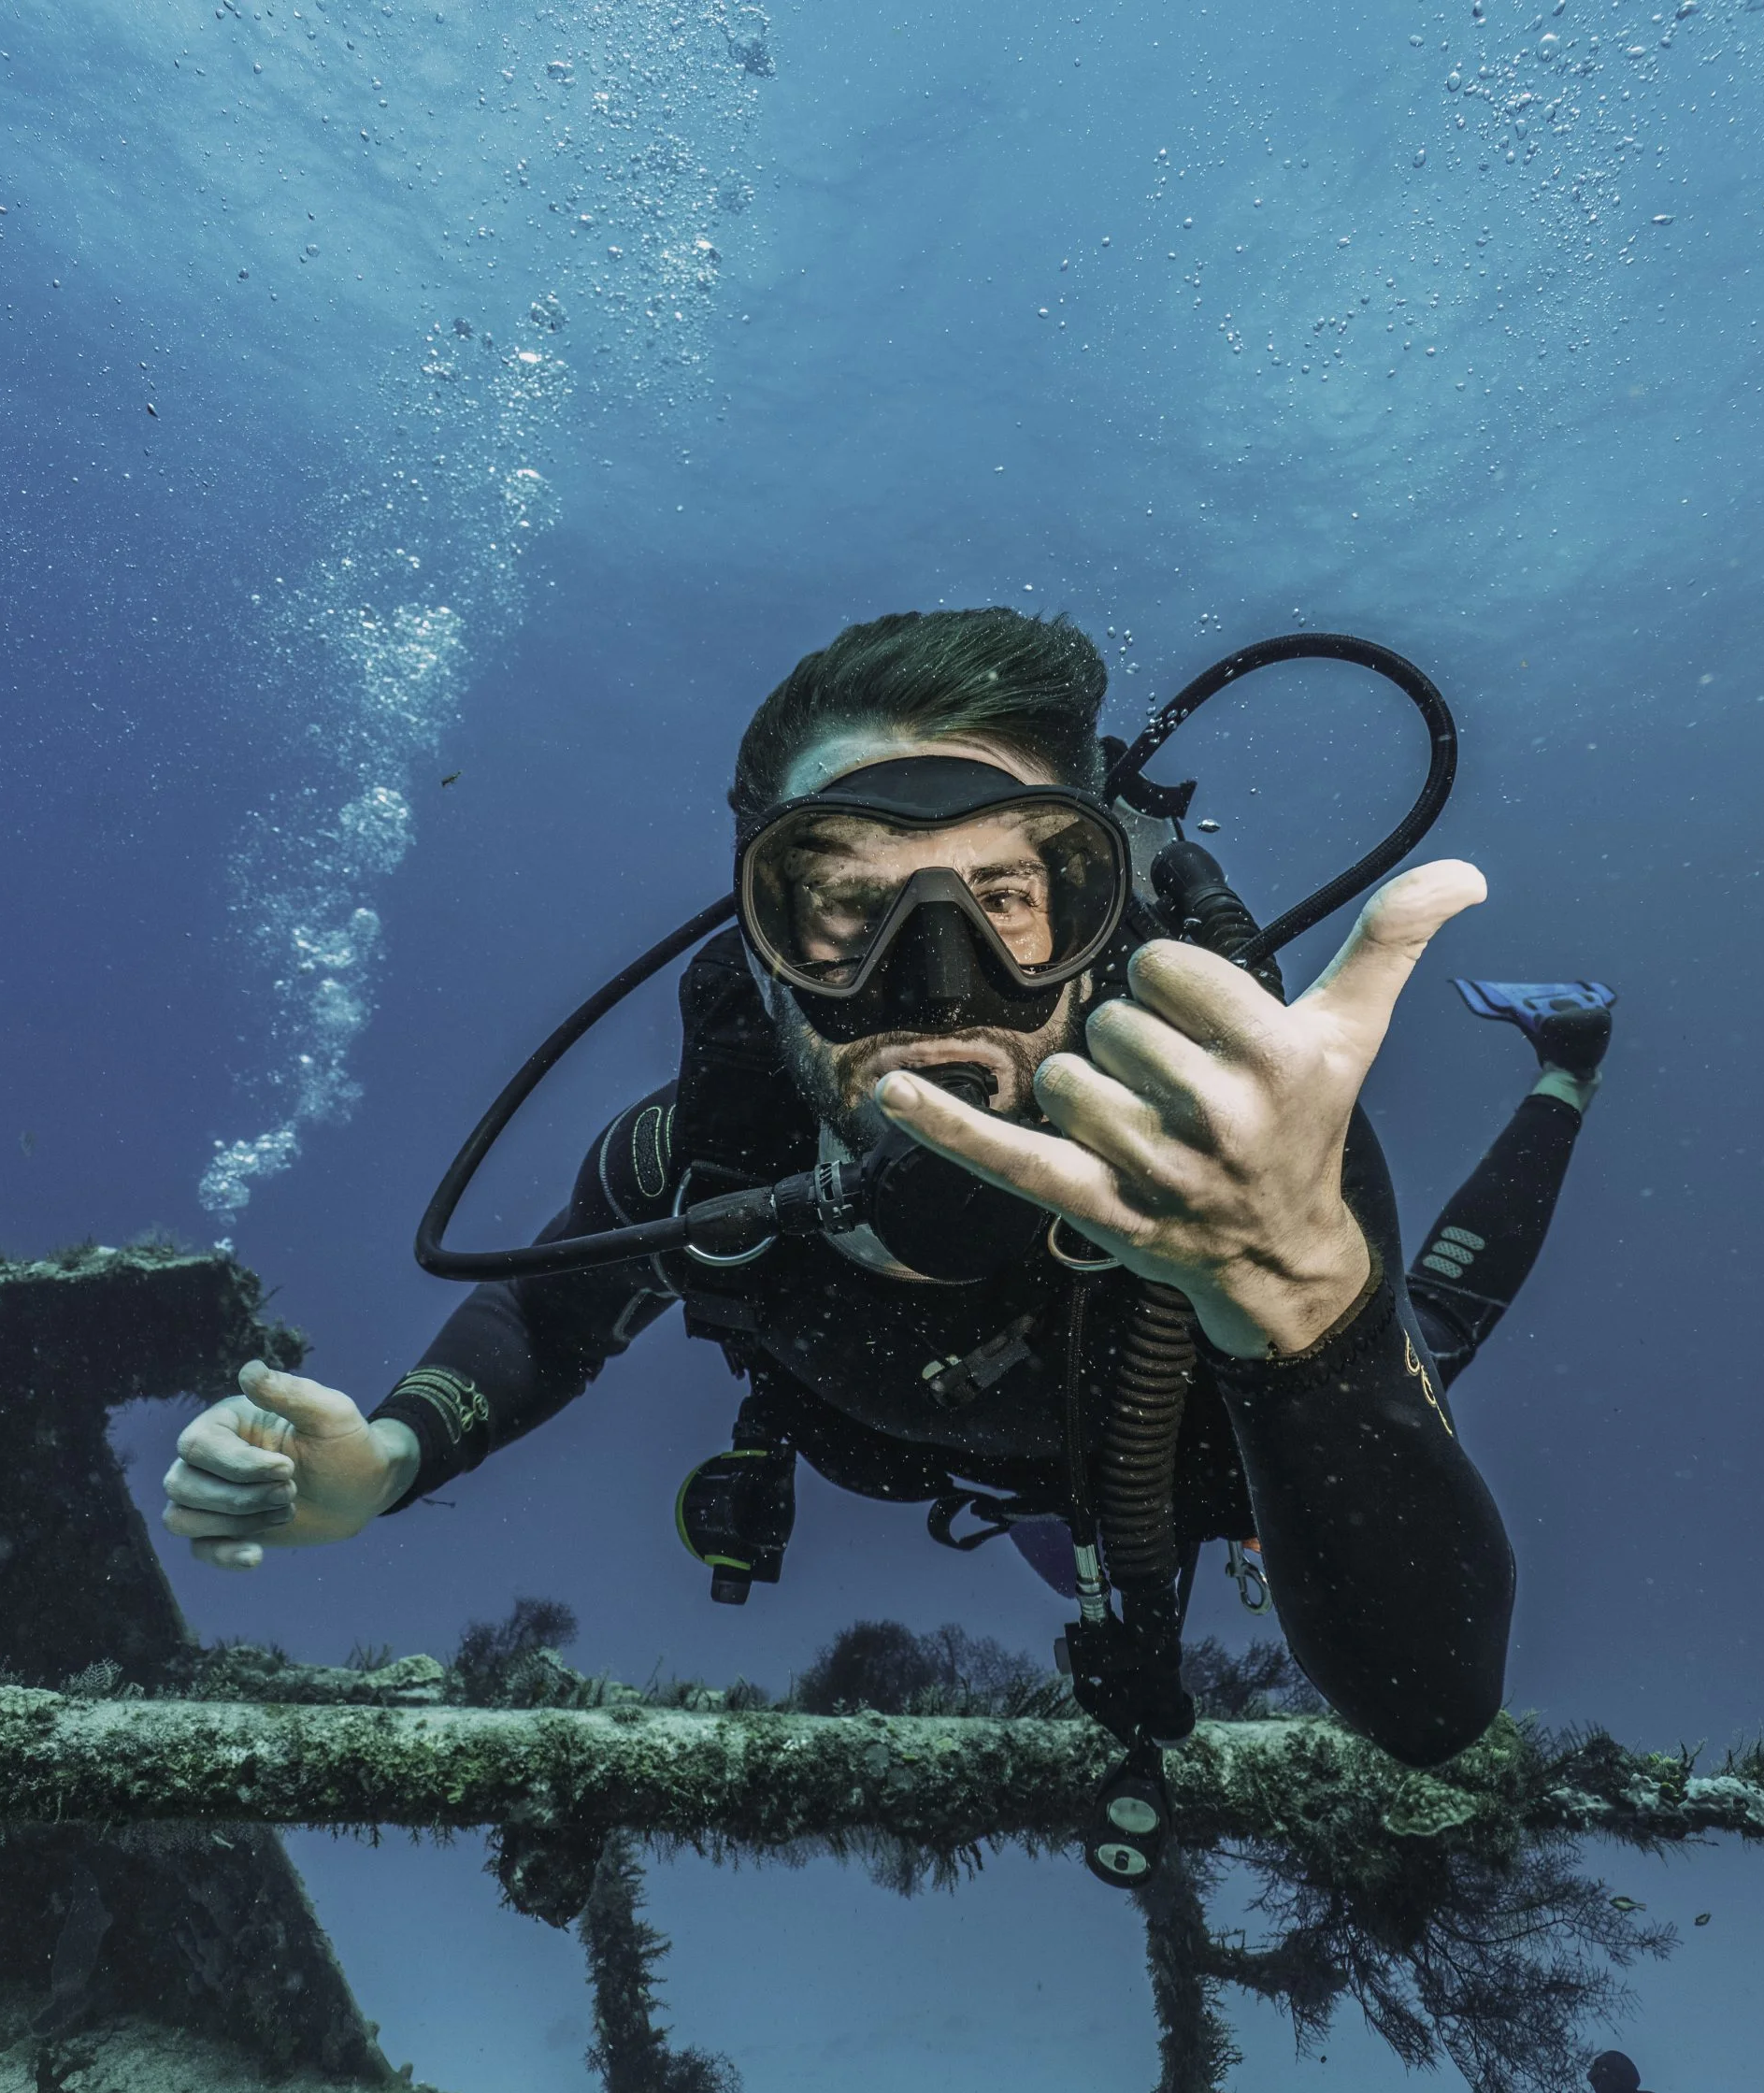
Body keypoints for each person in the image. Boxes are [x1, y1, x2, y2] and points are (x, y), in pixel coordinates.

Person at [164, 609, 1611, 1770]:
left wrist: (1296, 1286)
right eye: (849, 903)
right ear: (763, 931)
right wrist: (390, 1462)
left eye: (1003, 898)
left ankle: (1566, 1064)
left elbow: (1432, 1709)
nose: (933, 983)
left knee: (1433, 1311)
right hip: (996, 1471)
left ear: (1096, 916)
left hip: (1210, 1454)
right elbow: (546, 1322)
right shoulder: (702, 1167)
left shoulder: (1236, 1166)